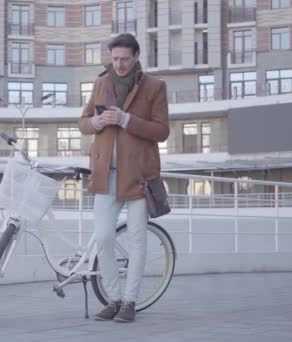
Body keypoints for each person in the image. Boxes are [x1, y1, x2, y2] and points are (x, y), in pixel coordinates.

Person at [78, 33, 169, 323]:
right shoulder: (101, 83)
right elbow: (82, 122)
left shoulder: (155, 87)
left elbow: (161, 131)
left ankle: (129, 302)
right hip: (106, 174)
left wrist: (126, 120)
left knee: (137, 239)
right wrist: (96, 122)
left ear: (136, 56)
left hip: (139, 176)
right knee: (103, 237)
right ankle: (113, 298)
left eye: (124, 59)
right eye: (115, 59)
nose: (118, 64)